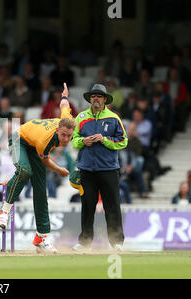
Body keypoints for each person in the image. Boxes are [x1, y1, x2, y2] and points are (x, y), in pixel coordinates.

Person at [0, 83, 76, 253]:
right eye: (63, 135)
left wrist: (64, 96)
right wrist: (59, 170)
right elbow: (46, 161)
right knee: (25, 170)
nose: (66, 139)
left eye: (69, 136)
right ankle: (4, 211)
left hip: (34, 144)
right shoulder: (45, 140)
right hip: (20, 140)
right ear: (57, 130)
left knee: (40, 189)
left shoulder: (66, 120)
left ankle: (42, 237)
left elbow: (64, 106)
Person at [71, 84, 127, 252]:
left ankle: (116, 242)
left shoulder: (113, 118)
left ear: (104, 99)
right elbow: (73, 140)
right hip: (86, 169)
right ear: (90, 99)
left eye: (99, 96)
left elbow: (123, 141)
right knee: (87, 206)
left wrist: (104, 140)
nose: (96, 98)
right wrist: (83, 141)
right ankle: (84, 242)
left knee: (112, 206)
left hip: (109, 169)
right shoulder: (81, 118)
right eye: (93, 96)